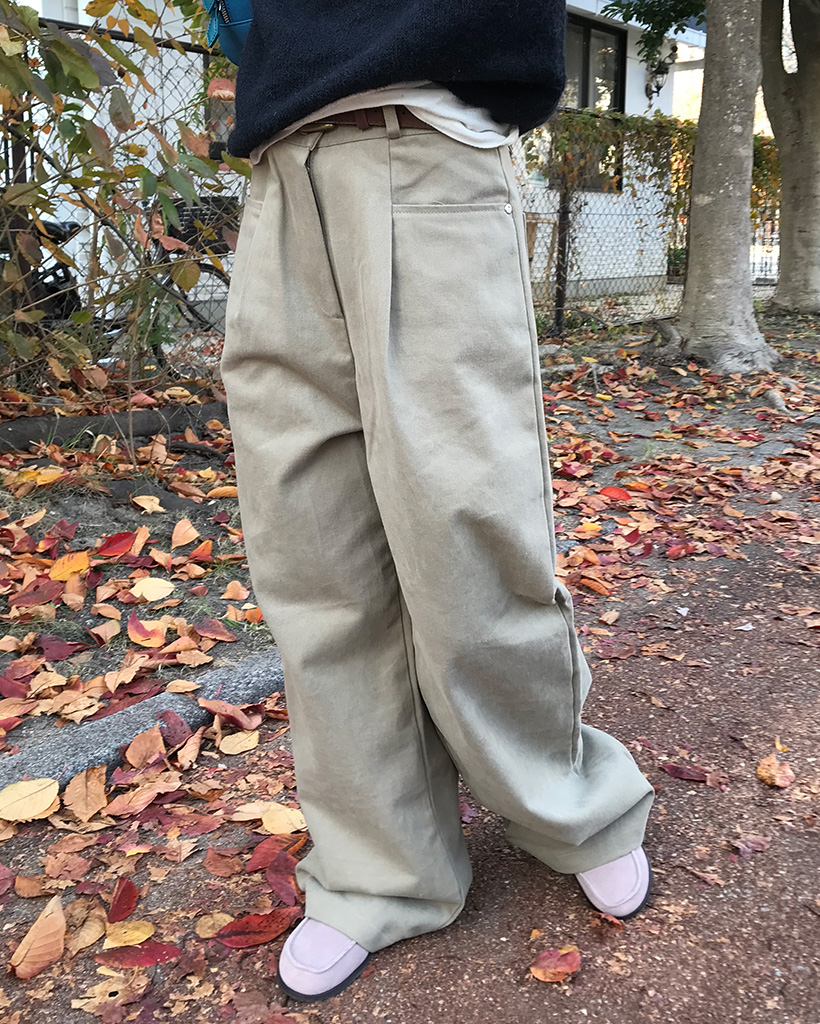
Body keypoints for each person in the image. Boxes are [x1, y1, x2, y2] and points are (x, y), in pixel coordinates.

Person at [221, 0, 655, 1003]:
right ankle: (381, 871)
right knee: (314, 554)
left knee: (467, 529)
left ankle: (570, 806)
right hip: (281, 171)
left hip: (428, 142)